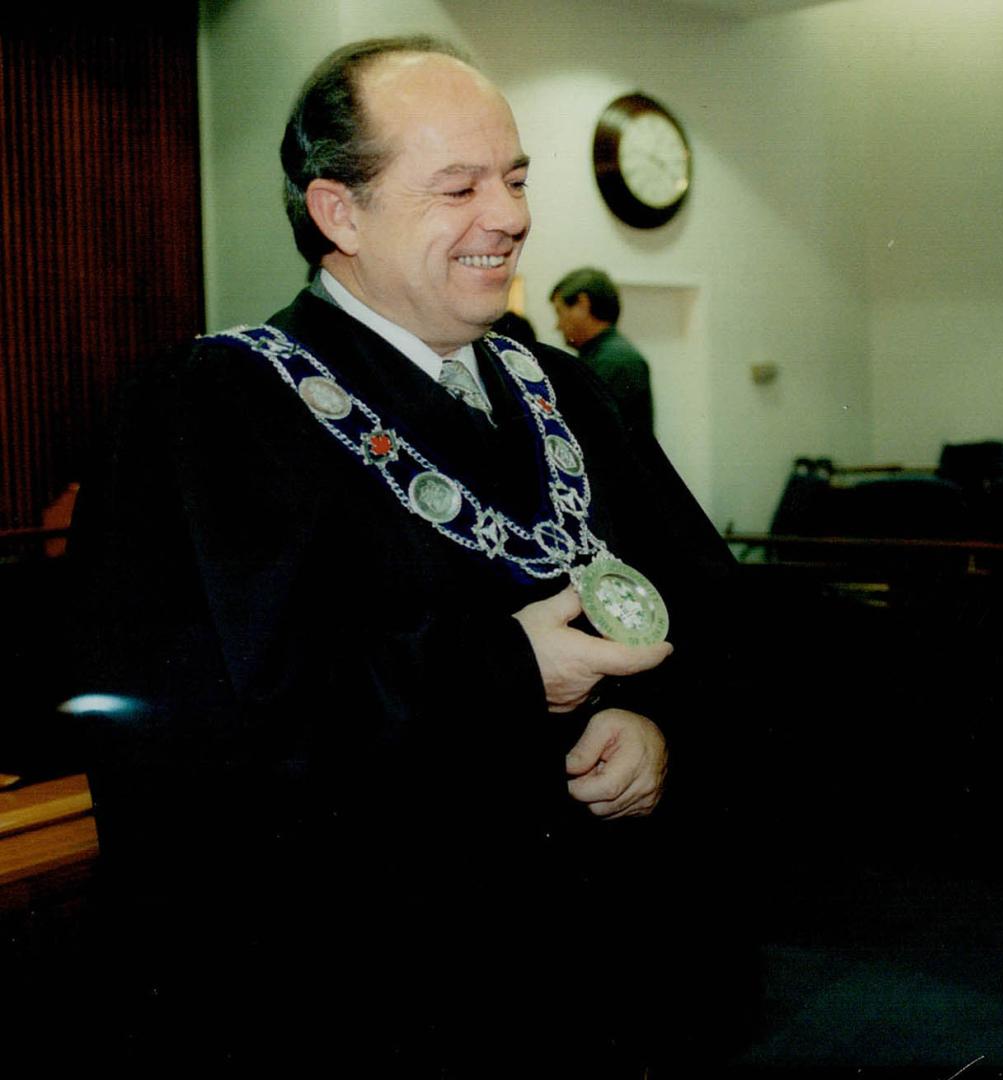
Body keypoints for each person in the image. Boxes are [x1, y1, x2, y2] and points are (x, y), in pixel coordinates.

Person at [69, 36, 735, 1071]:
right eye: (457, 187)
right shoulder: (205, 412)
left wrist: (659, 727)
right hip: (369, 990)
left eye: (513, 179)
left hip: (600, 969)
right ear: (339, 213)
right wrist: (508, 673)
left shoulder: (565, 390)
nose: (508, 215)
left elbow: (708, 607)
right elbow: (199, 735)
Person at [551, 267, 654, 434]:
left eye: (559, 312)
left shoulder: (613, 361)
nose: (557, 326)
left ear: (583, 305)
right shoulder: (608, 356)